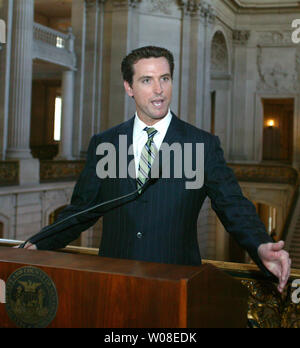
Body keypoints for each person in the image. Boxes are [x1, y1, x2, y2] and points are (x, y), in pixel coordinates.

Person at [22, 46, 291, 293]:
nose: (159, 89)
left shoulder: (202, 144)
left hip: (178, 288)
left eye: (165, 78)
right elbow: (82, 210)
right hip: (112, 286)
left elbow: (232, 204)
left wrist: (261, 244)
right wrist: (39, 243)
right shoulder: (105, 143)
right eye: (147, 80)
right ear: (129, 87)